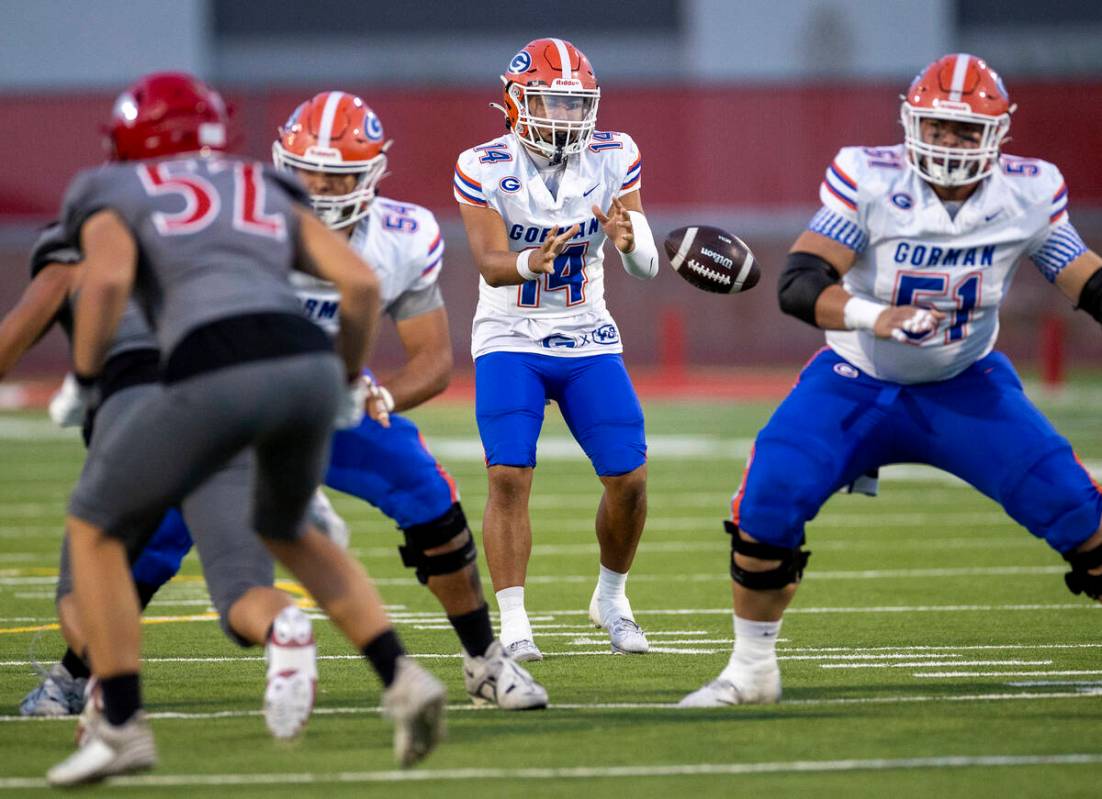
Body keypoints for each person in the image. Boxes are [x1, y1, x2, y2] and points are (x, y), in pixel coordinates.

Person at [44, 72, 445, 786]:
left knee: (95, 524)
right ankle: (403, 677)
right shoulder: (265, 187)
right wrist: (349, 381)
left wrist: (80, 378)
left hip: (213, 369)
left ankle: (122, 723)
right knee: (292, 531)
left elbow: (103, 283)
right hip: (307, 367)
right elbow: (358, 284)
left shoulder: (115, 189)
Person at [680, 53, 1102, 708]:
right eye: (937, 127)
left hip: (966, 382)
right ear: (912, 124)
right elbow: (799, 283)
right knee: (769, 495)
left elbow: (1086, 281)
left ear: (997, 134)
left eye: (965, 131)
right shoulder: (870, 178)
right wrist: (879, 316)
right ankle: (751, 668)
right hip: (857, 377)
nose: (949, 143)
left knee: (1083, 514)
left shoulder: (1029, 192)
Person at [10, 225, 349, 738]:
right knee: (242, 589)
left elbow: (18, 334)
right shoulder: (227, 237)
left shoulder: (81, 239)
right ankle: (283, 628)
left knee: (81, 585)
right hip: (233, 408)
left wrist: (82, 378)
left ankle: (107, 684)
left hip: (140, 412)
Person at [272, 90, 546, 709]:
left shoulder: (402, 234)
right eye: (306, 170)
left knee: (433, 500)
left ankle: (484, 662)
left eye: (335, 175)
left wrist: (379, 395)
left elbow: (433, 360)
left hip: (337, 400)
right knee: (158, 525)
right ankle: (84, 674)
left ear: (370, 176)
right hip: (240, 402)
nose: (316, 187)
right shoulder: (245, 223)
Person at [454, 38, 660, 663]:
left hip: (586, 331)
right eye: (549, 103)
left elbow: (646, 265)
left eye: (575, 106)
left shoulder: (614, 154)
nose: (564, 118)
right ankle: (514, 621)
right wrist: (528, 259)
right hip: (509, 337)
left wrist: (628, 241)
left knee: (629, 477)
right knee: (508, 475)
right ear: (516, 103)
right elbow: (491, 266)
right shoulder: (482, 164)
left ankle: (611, 598)